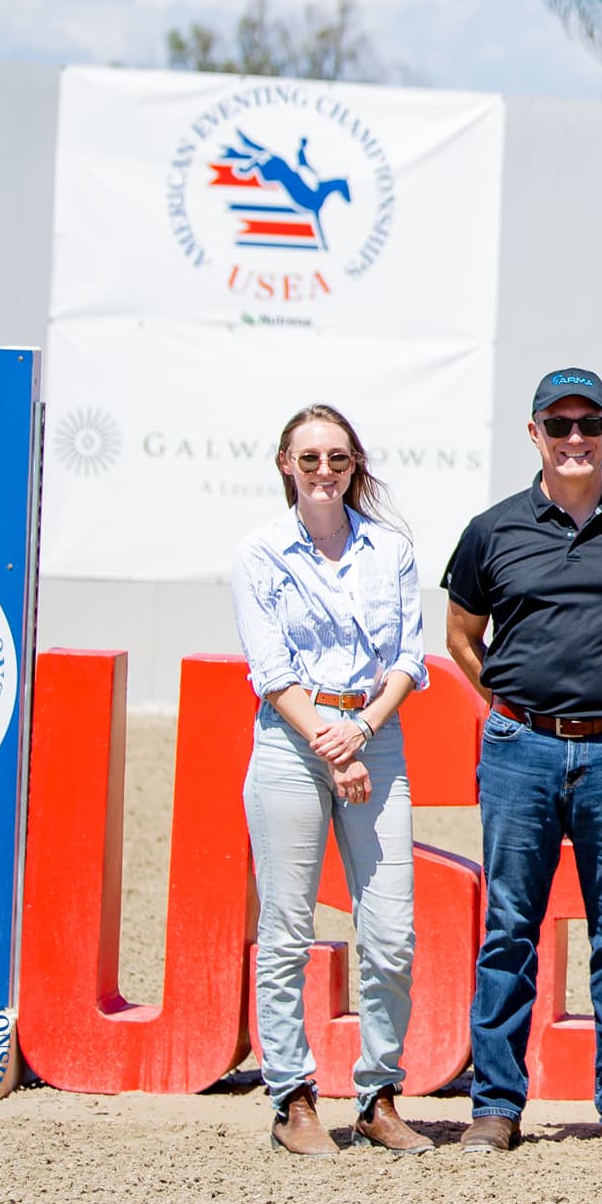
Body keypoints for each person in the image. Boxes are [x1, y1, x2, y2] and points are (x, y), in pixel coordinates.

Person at [445, 367, 602, 1155]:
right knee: (508, 930)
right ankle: (495, 1106)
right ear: (534, 434)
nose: (574, 438)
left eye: (588, 422)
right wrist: (511, 704)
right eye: (557, 424)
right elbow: (460, 633)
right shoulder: (492, 529)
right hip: (518, 748)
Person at [230, 403, 430, 1157]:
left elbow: (408, 659)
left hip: (374, 736)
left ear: (355, 465)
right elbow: (271, 668)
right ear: (286, 463)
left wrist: (362, 733)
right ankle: (292, 1098)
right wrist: (332, 746)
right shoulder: (259, 552)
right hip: (292, 741)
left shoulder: (392, 549)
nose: (324, 471)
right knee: (287, 930)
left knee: (391, 932)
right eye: (309, 457)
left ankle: (378, 1094)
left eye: (337, 458)